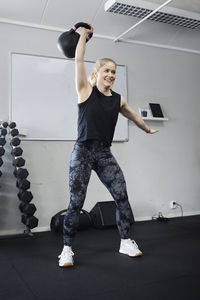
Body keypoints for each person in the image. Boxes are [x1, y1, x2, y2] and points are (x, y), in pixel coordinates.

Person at [58, 25, 159, 267]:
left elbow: (133, 115)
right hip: (82, 151)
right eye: (106, 70)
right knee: (76, 201)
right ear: (98, 72)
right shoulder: (85, 90)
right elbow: (79, 58)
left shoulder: (118, 99)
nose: (111, 75)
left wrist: (146, 128)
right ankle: (67, 249)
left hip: (103, 153)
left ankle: (126, 241)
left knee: (121, 195)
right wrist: (82, 35)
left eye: (113, 72)